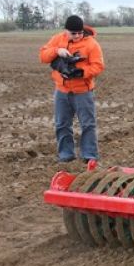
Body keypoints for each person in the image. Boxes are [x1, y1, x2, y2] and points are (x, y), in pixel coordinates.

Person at [39, 15, 105, 163]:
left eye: (79, 33)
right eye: (73, 33)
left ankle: (89, 156)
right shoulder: (57, 39)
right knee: (62, 124)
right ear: (66, 31)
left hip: (83, 91)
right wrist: (57, 51)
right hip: (62, 90)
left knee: (87, 124)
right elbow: (43, 56)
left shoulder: (92, 44)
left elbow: (98, 66)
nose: (77, 36)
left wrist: (81, 73)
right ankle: (66, 155)